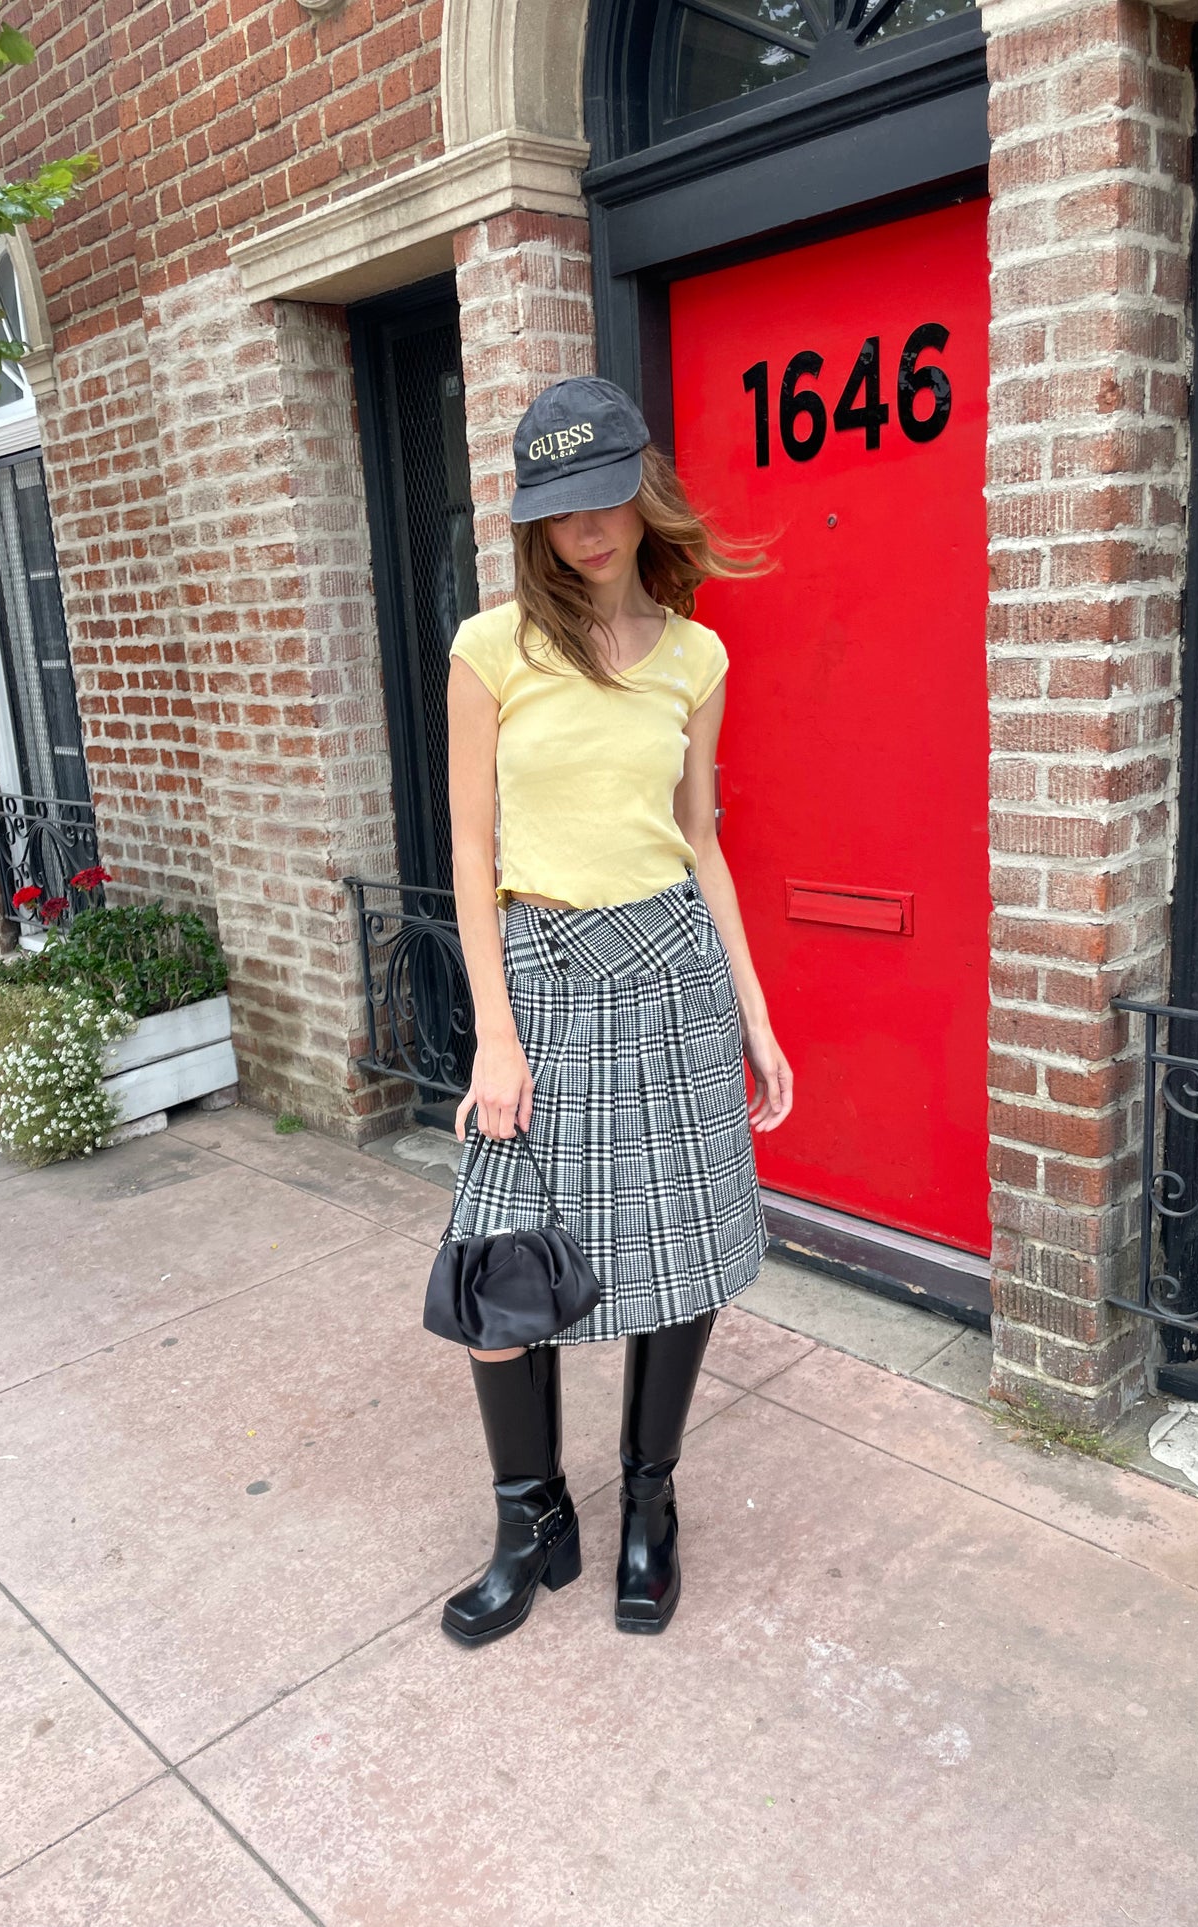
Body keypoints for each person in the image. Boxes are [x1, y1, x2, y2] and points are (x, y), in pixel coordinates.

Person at [440, 375, 793, 1646]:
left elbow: (699, 837)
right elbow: (471, 852)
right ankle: (529, 1517)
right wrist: (492, 1029)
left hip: (671, 971)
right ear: (531, 518)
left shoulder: (697, 655)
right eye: (559, 507)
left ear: (642, 492)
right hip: (535, 975)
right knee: (493, 1269)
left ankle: (650, 1502)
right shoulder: (491, 648)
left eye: (605, 497)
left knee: (680, 1249)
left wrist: (751, 1006)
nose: (586, 528)